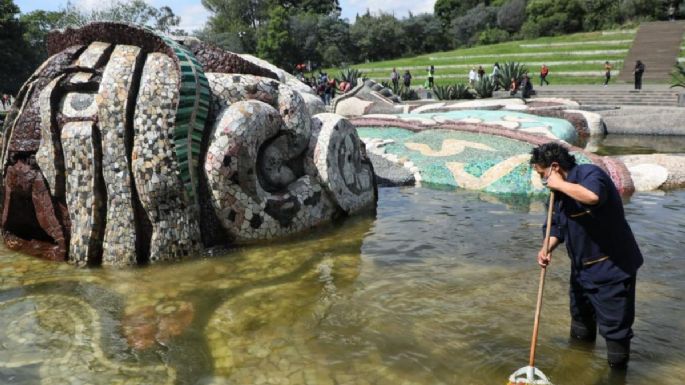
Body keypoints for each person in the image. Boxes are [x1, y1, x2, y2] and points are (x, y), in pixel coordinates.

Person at [530, 142, 643, 370]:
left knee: (615, 330)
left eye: (543, 175)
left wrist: (560, 185)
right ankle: (577, 369)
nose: (543, 181)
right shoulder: (556, 195)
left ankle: (617, 375)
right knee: (580, 321)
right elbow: (556, 229)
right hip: (581, 270)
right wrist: (546, 248)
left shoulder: (590, 174)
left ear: (555, 167)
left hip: (612, 268)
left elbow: (592, 197)